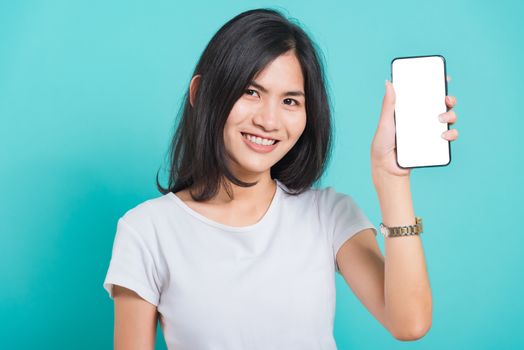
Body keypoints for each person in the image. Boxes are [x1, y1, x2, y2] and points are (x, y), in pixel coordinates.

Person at [103, 8, 459, 350]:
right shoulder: (145, 230)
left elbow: (409, 323)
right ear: (200, 94)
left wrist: (391, 178)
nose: (269, 121)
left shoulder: (329, 214)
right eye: (250, 92)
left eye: (290, 101)